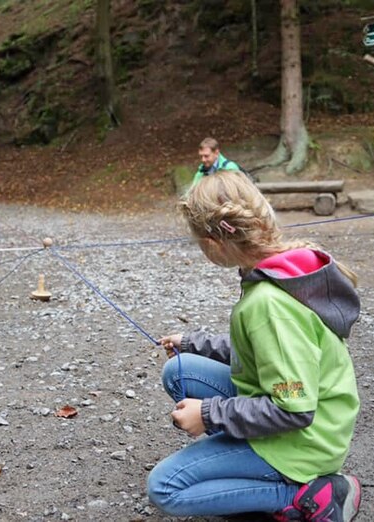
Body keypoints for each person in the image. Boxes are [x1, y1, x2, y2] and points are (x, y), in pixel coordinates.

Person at [147, 170, 362, 521]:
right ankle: (239, 461)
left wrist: (207, 414)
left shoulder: (267, 305)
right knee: (180, 370)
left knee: (166, 488)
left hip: (304, 441)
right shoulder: (284, 266)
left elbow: (294, 410)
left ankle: (305, 495)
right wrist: (192, 343)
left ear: (215, 245)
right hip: (304, 413)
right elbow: (262, 352)